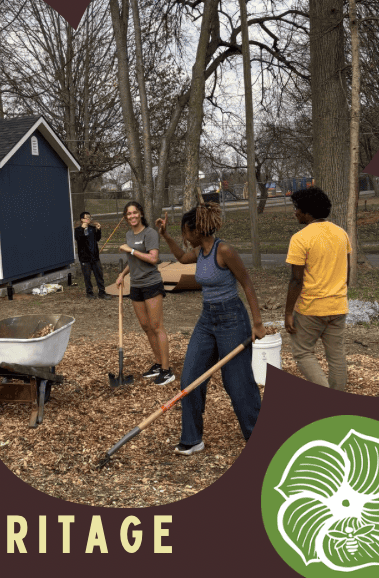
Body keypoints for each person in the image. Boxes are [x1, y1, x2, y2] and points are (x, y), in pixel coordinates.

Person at [159, 202, 265, 455]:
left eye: (186, 232)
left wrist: (258, 323)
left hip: (232, 319)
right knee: (190, 378)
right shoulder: (199, 253)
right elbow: (182, 258)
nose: (185, 238)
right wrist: (166, 236)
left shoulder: (224, 250)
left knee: (237, 381)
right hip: (207, 319)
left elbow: (247, 283)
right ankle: (193, 439)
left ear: (198, 231)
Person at [284, 187, 352, 391]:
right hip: (338, 306)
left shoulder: (300, 238)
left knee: (303, 352)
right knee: (336, 356)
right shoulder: (341, 234)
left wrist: (288, 312)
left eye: (297, 208)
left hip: (311, 308)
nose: (295, 212)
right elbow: (346, 274)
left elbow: (296, 280)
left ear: (307, 211)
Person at [115, 201, 175, 386]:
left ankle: (167, 370)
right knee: (146, 327)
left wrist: (130, 249)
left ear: (140, 214)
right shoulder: (129, 234)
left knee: (157, 327)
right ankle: (158, 363)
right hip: (136, 286)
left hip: (151, 284)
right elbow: (133, 260)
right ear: (126, 217)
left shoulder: (149, 233)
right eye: (128, 214)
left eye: (135, 213)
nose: (132, 216)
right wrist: (122, 274)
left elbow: (153, 258)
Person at [74, 211, 108, 299]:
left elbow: (97, 238)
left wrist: (99, 229)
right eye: (87, 218)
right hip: (85, 258)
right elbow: (78, 239)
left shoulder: (92, 229)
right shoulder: (77, 230)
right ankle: (89, 293)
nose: (89, 219)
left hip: (95, 257)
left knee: (99, 275)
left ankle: (102, 292)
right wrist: (82, 229)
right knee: (87, 276)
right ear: (82, 219)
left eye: (89, 217)